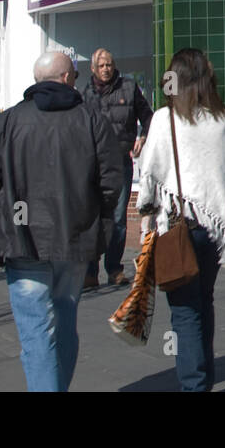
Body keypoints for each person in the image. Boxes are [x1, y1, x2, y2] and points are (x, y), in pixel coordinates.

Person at [0, 50, 122, 392]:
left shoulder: (7, 122)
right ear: (68, 78)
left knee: (36, 328)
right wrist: (92, 216)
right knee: (64, 319)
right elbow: (111, 182)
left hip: (23, 241)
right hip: (73, 237)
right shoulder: (91, 120)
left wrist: (0, 217)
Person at [136, 48, 225, 392]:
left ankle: (195, 385)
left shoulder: (165, 118)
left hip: (177, 227)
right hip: (212, 230)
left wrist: (147, 209)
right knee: (204, 301)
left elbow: (149, 175)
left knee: (185, 312)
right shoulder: (223, 121)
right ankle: (203, 379)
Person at [76, 47, 153, 288]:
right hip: (93, 163)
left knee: (118, 217)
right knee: (93, 216)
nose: (106, 69)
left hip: (120, 160)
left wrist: (143, 137)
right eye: (101, 66)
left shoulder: (129, 88)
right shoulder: (85, 94)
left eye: (109, 64)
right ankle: (90, 271)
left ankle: (114, 268)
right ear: (93, 69)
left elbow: (149, 117)